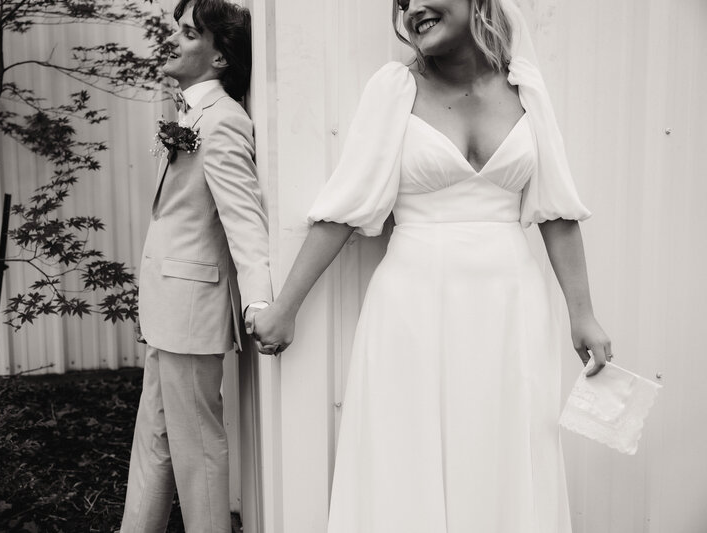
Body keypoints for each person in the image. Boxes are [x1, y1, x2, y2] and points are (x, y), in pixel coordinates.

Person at [249, 0, 611, 531]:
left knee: (503, 447)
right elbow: (345, 208)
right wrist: (285, 307)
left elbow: (556, 210)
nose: (412, 7)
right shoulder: (396, 89)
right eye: (402, 1)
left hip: (511, 305)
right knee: (407, 451)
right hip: (412, 306)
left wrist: (584, 315)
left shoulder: (525, 87)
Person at [121, 1, 271, 532]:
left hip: (190, 314)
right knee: (155, 442)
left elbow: (244, 220)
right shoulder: (189, 113)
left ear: (220, 57)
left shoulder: (224, 122)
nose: (175, 40)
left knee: (198, 453)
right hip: (168, 309)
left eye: (188, 33)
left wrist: (260, 303)